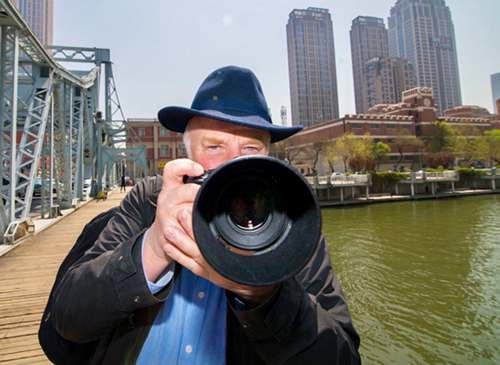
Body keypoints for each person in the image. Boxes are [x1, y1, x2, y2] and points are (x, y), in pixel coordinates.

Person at [52, 66, 361, 364]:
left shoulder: (290, 225)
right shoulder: (149, 201)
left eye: (250, 149)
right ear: (188, 156)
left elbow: (342, 356)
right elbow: (67, 319)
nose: (232, 163)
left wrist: (264, 293)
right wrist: (153, 247)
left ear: (267, 158)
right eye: (214, 146)